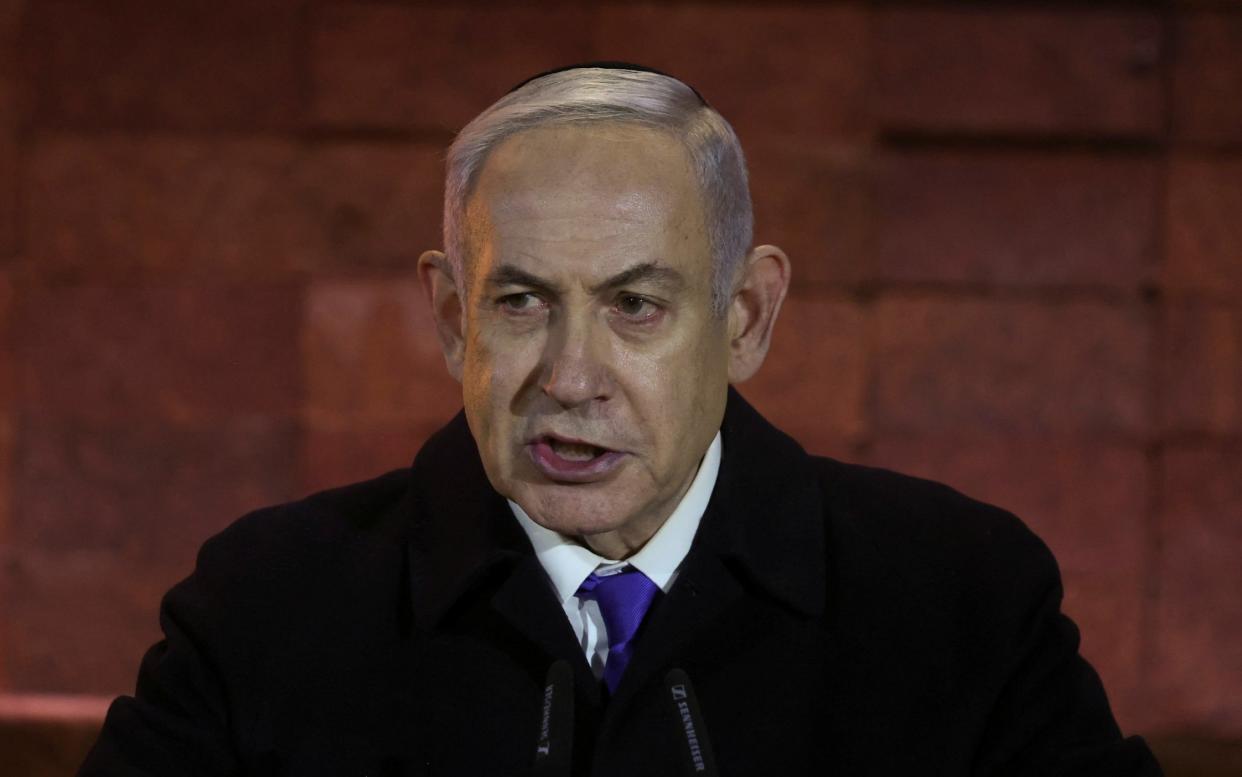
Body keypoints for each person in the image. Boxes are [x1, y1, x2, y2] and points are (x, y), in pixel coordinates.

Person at [79, 63, 1163, 776]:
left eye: (635, 306)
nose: (571, 375)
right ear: (454, 320)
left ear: (745, 316)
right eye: (520, 303)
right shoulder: (265, 605)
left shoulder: (961, 595)